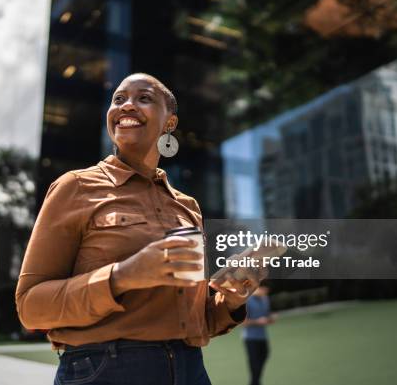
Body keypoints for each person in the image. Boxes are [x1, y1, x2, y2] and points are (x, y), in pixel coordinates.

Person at [16, 73, 264, 385]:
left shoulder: (188, 207)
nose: (127, 106)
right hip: (105, 370)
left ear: (169, 124)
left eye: (144, 98)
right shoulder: (75, 187)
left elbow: (193, 321)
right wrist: (124, 276)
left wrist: (230, 301)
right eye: (119, 99)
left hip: (190, 369)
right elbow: (30, 307)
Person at [242, 284, 275, 385]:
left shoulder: (265, 299)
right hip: (250, 338)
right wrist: (258, 322)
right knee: (254, 363)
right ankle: (255, 382)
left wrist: (270, 319)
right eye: (264, 290)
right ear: (258, 288)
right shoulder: (247, 301)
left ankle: (255, 382)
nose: (265, 293)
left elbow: (267, 316)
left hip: (262, 336)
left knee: (265, 355)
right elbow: (243, 323)